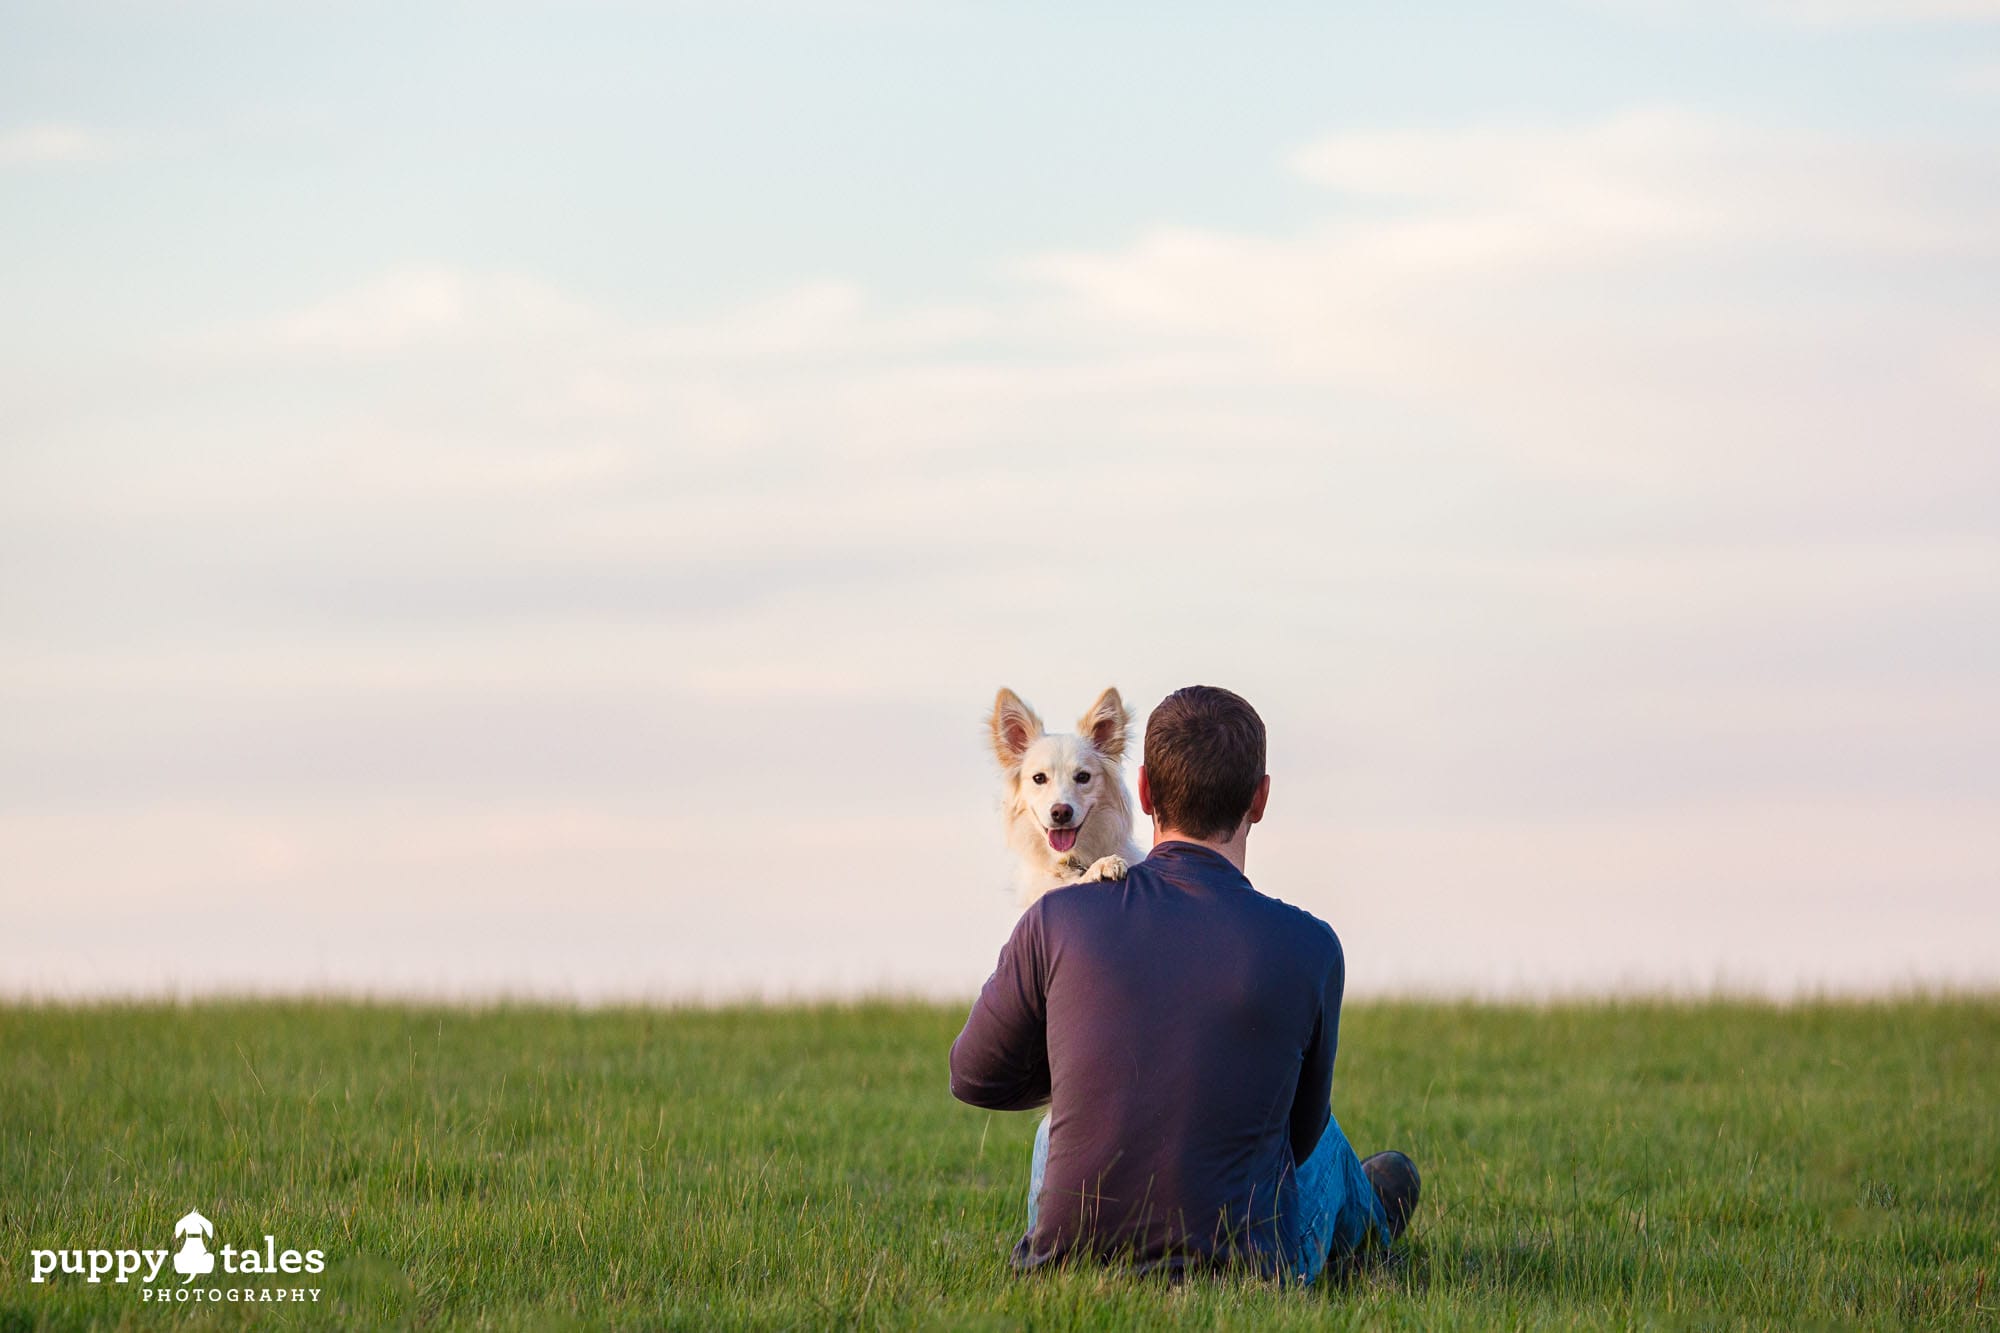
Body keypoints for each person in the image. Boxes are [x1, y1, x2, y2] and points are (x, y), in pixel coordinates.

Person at [949, 684, 1419, 1283]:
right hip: (1247, 1274)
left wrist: (1079, 1072)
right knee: (1322, 1136)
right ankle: (1372, 1227)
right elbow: (1300, 1138)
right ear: (1262, 799)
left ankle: (1072, 1240)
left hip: (1067, 1270)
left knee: (1058, 1124)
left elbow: (972, 1075)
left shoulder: (1054, 917)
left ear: (1141, 791)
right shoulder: (1313, 945)